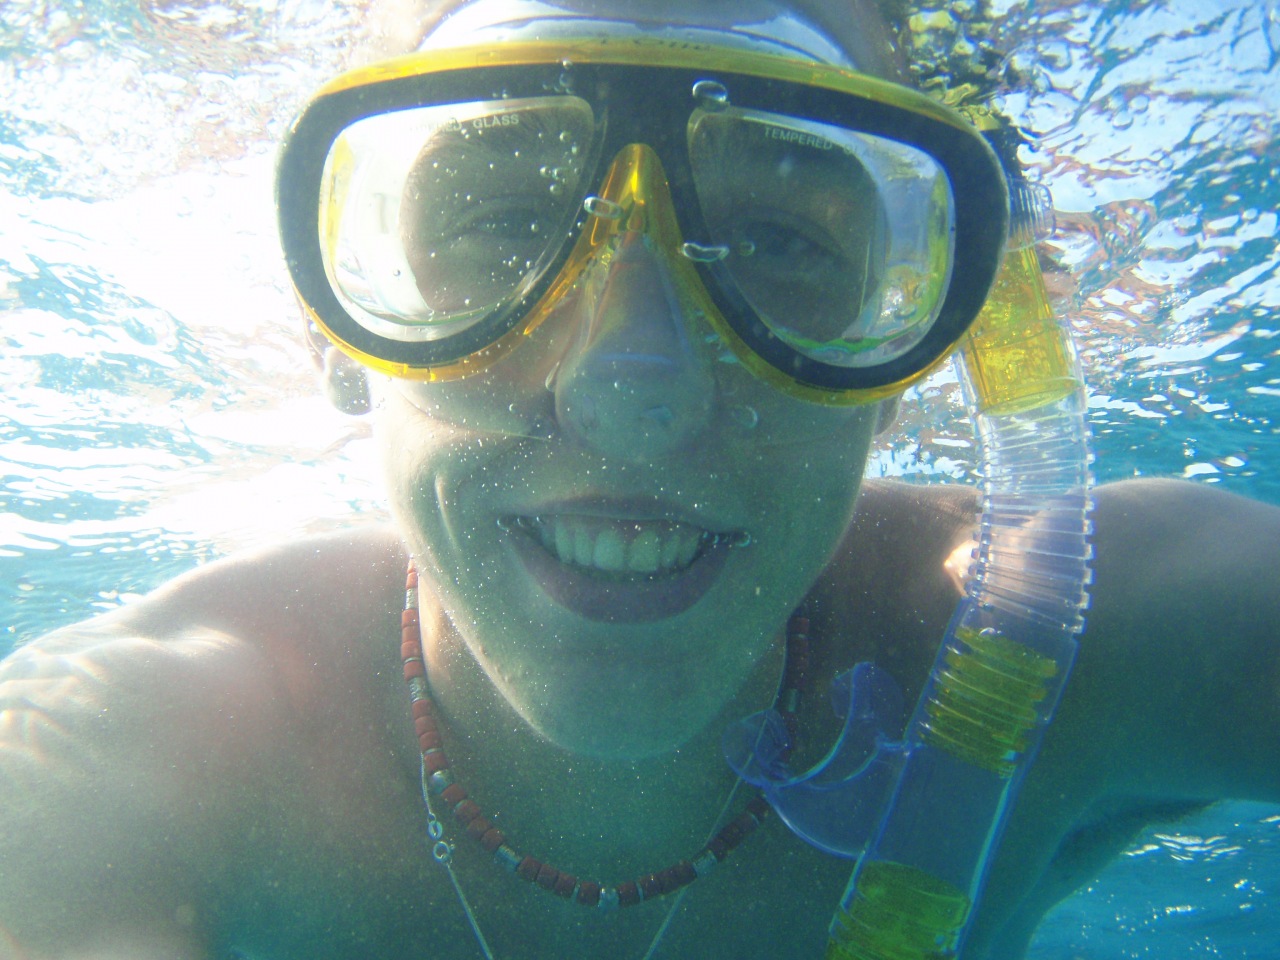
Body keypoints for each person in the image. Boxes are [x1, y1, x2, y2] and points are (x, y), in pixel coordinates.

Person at [2, 1, 1278, 958]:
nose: (633, 395)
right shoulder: (141, 755)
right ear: (338, 328)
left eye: (777, 240)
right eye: (503, 221)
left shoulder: (1060, 654)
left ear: (902, 349)